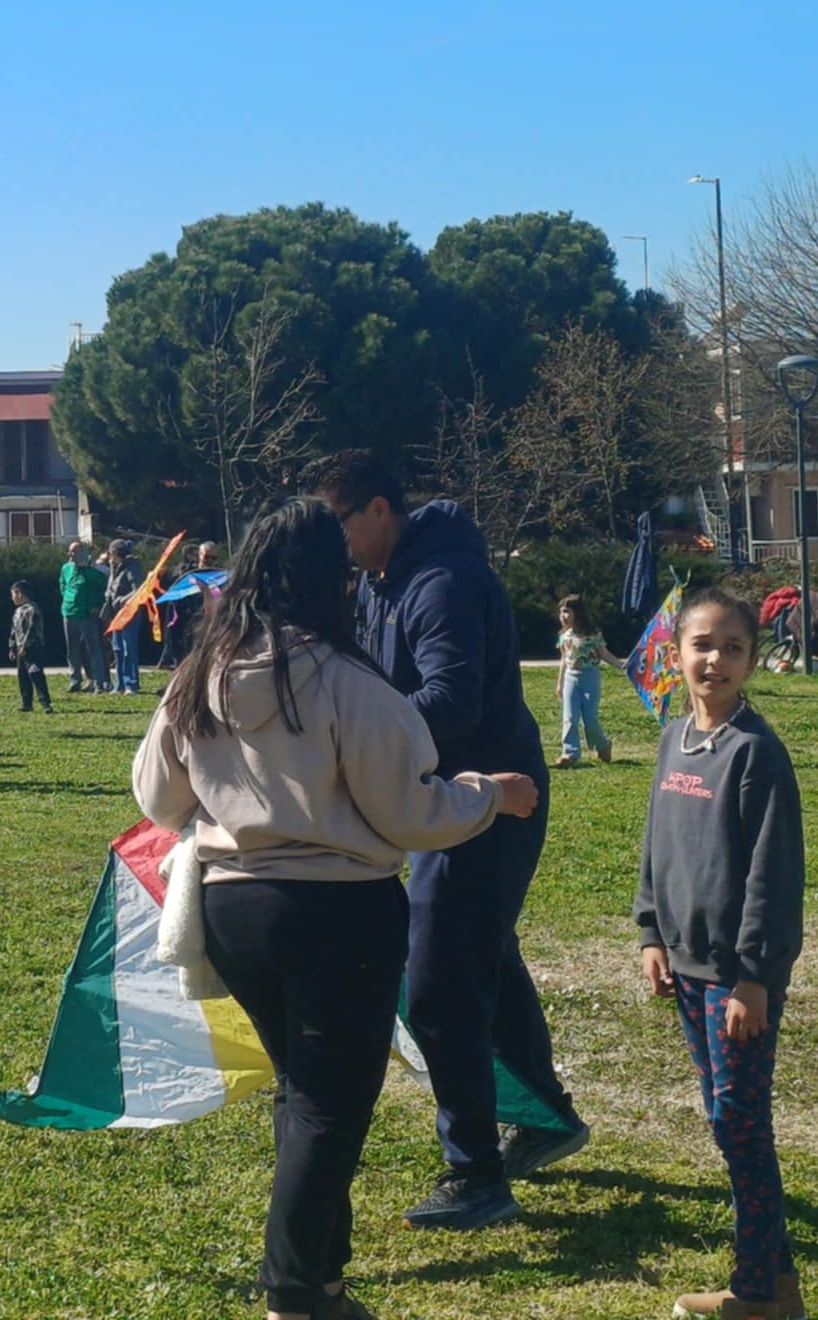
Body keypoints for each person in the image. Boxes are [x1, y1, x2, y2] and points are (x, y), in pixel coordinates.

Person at [134, 498, 540, 1320]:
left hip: (231, 908)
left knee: (301, 1091)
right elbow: (409, 812)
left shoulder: (200, 674)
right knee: (330, 1104)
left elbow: (154, 791)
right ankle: (292, 1291)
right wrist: (486, 795)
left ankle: (323, 1274)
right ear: (333, 579)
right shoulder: (346, 681)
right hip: (338, 915)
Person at [305, 449, 588, 1230]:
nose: (338, 545)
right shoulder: (379, 582)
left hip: (493, 803)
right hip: (442, 801)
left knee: (437, 989)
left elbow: (451, 703)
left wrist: (358, 744)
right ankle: (546, 1115)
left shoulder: (444, 582)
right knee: (483, 955)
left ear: (378, 511)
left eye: (340, 524)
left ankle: (477, 1175)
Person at [636, 589, 806, 1320]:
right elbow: (657, 848)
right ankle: (783, 1284)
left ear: (751, 660)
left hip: (737, 982)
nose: (716, 659)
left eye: (732, 648)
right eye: (702, 644)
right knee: (723, 1120)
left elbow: (773, 874)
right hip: (686, 971)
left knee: (740, 1124)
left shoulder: (756, 753)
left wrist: (755, 977)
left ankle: (755, 1293)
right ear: (675, 655)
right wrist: (650, 932)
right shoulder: (675, 741)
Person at [555, 594, 618, 768]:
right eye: (561, 613)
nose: (563, 616)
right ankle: (570, 753)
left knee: (589, 718)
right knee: (569, 717)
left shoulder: (592, 634)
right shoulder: (564, 635)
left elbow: (604, 654)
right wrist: (560, 683)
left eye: (567, 612)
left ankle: (603, 745)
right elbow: (563, 659)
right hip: (570, 678)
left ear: (578, 613)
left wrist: (621, 665)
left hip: (590, 676)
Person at [59, 540, 111, 694]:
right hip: (69, 612)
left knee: (93, 648)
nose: (70, 555)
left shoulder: (93, 572)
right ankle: (74, 679)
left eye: (74, 552)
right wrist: (67, 599)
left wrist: (95, 605)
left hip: (87, 614)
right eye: (70, 552)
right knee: (72, 648)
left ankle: (99, 681)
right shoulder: (66, 568)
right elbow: (62, 585)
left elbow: (103, 589)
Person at [103, 537, 145, 695]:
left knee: (129, 648)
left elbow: (138, 590)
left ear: (115, 553)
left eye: (111, 553)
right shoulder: (115, 568)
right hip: (116, 614)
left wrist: (121, 599)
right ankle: (119, 684)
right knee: (118, 648)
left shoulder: (132, 568)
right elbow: (112, 586)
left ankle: (131, 684)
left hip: (129, 613)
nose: (109, 557)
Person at [9, 579, 53, 715]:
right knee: (22, 675)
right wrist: (12, 647)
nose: (12, 598)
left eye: (13, 594)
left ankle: (45, 703)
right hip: (19, 647)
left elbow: (32, 629)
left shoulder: (32, 610)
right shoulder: (17, 612)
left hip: (33, 648)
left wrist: (26, 646)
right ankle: (26, 702)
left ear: (19, 594)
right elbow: (14, 631)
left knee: (35, 674)